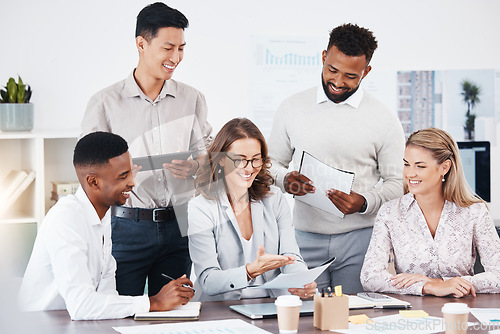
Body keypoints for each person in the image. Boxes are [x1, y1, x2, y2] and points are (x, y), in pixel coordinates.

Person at [80, 3, 212, 297]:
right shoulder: (105, 103)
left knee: (175, 315)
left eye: (181, 48)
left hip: (179, 226)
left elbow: (207, 155)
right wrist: (119, 176)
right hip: (126, 230)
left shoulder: (192, 99)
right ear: (141, 43)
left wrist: (196, 168)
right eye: (168, 48)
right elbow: (88, 174)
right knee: (122, 314)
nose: (175, 57)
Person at [267, 23, 405, 293]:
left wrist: (365, 202)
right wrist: (285, 180)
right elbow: (269, 164)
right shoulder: (291, 108)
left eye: (351, 76)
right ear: (323, 57)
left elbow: (398, 180)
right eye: (332, 70)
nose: (338, 82)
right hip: (303, 239)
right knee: (305, 320)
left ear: (366, 71)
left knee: (357, 320)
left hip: (362, 240)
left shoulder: (384, 118)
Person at [18, 132, 194, 320]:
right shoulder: (66, 218)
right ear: (93, 181)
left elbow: (106, 295)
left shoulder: (103, 217)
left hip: (73, 325)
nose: (132, 182)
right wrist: (154, 302)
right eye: (123, 176)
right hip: (39, 326)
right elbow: (81, 305)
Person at [361, 127, 500, 297]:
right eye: (406, 164)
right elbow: (370, 277)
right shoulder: (390, 212)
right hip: (412, 314)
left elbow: (498, 275)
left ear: (445, 167)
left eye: (420, 166)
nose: (410, 173)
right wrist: (427, 287)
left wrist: (443, 283)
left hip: (460, 310)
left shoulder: (475, 212)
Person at [188, 118, 316, 301]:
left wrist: (302, 280)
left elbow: (290, 256)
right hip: (221, 308)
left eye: (256, 160)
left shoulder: (274, 198)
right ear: (221, 160)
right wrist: (250, 272)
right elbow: (208, 279)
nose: (249, 168)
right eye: (240, 160)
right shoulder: (201, 208)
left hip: (271, 304)